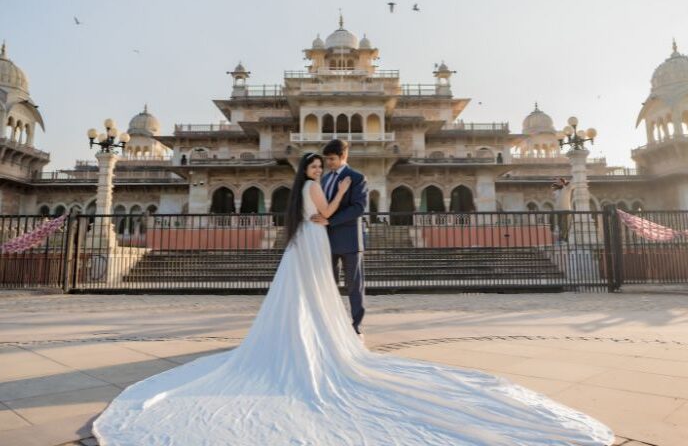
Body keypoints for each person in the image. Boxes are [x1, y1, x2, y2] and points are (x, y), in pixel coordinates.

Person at [92, 153, 614, 445]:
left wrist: (338, 198)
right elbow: (322, 211)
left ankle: (339, 327)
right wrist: (333, 196)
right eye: (318, 165)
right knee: (318, 292)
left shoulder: (343, 179)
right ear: (313, 168)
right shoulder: (318, 187)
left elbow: (340, 206)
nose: (324, 167)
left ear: (338, 161)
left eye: (329, 162)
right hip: (316, 237)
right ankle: (329, 334)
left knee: (334, 290)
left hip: (321, 240)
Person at [311, 138, 368, 336]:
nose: (328, 163)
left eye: (332, 159)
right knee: (329, 284)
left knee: (353, 285)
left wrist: (330, 222)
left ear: (344, 156)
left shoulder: (357, 177)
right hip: (326, 240)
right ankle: (331, 324)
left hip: (350, 240)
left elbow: (358, 208)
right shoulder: (325, 179)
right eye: (327, 159)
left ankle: (356, 326)